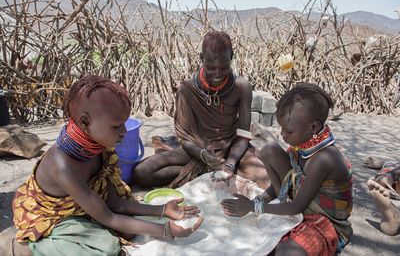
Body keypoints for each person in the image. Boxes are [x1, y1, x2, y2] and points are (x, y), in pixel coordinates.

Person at [10, 76, 203, 256]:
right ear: (86, 122)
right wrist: (166, 230)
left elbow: (115, 203)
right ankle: (27, 248)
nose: (124, 131)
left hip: (87, 205)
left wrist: (162, 210)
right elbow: (108, 217)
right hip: (49, 217)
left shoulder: (97, 147)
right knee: (107, 246)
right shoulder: (63, 166)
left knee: (125, 230)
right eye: (116, 126)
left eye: (124, 123)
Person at [221, 83, 353, 256]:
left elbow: (296, 207)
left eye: (288, 131)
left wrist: (253, 207)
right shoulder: (302, 146)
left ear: (313, 127)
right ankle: (280, 211)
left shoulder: (324, 159)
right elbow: (287, 184)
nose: (282, 134)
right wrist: (258, 201)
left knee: (287, 251)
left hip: (326, 222)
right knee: (270, 150)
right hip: (298, 204)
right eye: (281, 128)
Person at [133, 31, 269, 189]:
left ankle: (210, 171)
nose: (217, 74)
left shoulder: (242, 87)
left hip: (232, 148)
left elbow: (244, 135)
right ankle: (205, 170)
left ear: (231, 57)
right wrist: (203, 155)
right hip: (197, 148)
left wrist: (231, 162)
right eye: (211, 68)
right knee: (142, 172)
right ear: (201, 58)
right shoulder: (186, 90)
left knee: (265, 179)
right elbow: (184, 138)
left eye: (223, 68)